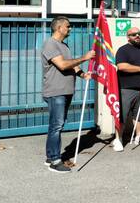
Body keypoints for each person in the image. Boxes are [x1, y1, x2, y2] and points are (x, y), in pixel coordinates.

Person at [41, 16, 95, 173]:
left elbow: (71, 65)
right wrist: (84, 57)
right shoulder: (50, 44)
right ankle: (55, 161)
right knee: (56, 125)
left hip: (65, 91)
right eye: (68, 26)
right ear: (59, 28)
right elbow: (63, 65)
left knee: (58, 125)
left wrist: (83, 75)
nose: (70, 28)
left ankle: (51, 156)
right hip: (55, 91)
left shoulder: (63, 45)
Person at [114, 27, 140, 151]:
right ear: (128, 37)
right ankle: (118, 139)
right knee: (122, 114)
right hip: (126, 88)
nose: (137, 36)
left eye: (139, 34)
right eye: (133, 34)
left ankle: (139, 136)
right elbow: (121, 66)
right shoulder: (123, 50)